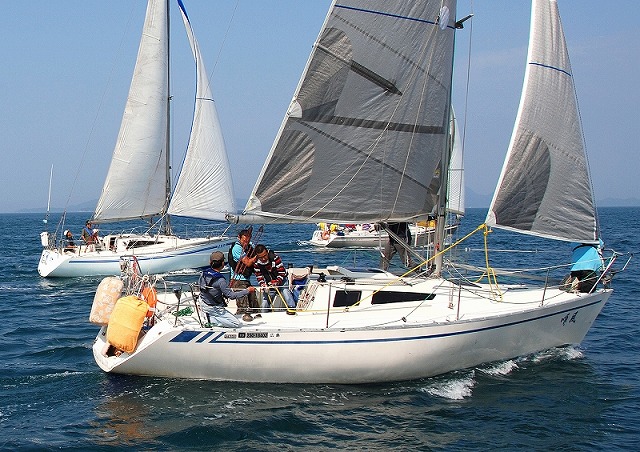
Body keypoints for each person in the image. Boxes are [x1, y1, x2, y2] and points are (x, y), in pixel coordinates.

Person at [199, 251, 256, 325]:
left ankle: (209, 316)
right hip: (214, 308)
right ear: (223, 264)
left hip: (203, 303)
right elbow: (231, 296)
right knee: (236, 324)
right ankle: (210, 320)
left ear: (210, 262)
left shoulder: (203, 274)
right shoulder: (221, 280)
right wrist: (248, 290)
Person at [252, 244, 296, 313]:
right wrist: (263, 284)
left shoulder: (275, 258)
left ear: (267, 252)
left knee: (286, 294)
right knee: (264, 306)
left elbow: (282, 273)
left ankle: (292, 309)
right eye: (261, 257)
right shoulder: (256, 263)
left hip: (282, 281)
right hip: (269, 284)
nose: (263, 259)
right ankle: (265, 313)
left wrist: (277, 281)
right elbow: (259, 276)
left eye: (265, 256)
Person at [228, 229, 258, 317]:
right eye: (244, 241)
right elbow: (248, 262)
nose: (246, 243)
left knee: (254, 304)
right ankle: (240, 319)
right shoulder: (237, 248)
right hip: (238, 280)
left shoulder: (249, 246)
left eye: (247, 241)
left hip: (246, 279)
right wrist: (257, 256)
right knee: (243, 306)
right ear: (239, 238)